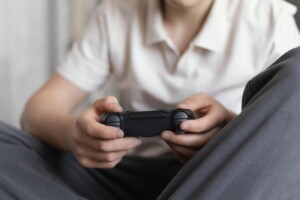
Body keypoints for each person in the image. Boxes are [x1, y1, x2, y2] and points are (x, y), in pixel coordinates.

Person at [0, 0, 300, 199]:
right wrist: (74, 135)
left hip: (224, 176)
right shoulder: (116, 11)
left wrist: (231, 132)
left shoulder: (269, 16)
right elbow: (36, 113)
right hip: (124, 175)